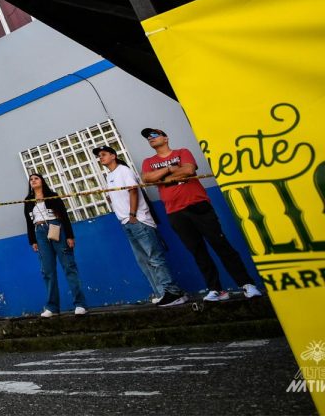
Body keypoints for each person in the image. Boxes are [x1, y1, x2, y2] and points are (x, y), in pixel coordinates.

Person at [139, 128, 262, 302]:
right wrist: (169, 169)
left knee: (221, 245)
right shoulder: (148, 161)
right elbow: (147, 179)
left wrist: (162, 179)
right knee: (198, 253)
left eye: (154, 135)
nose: (150, 138)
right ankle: (216, 290)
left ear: (165, 138)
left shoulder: (182, 152)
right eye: (148, 137)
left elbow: (189, 170)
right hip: (175, 212)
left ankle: (247, 284)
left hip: (198, 205)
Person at [94, 145, 186, 307]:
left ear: (113, 156)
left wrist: (132, 215)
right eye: (99, 156)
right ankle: (162, 293)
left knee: (154, 258)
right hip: (126, 223)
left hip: (138, 220)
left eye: (103, 154)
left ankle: (174, 292)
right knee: (144, 260)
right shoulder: (110, 176)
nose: (100, 158)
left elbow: (133, 191)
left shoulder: (124, 170)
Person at [24, 172, 88, 317]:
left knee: (68, 266)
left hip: (56, 227)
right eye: (31, 179)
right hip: (39, 231)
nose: (33, 180)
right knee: (47, 271)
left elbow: (64, 215)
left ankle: (80, 304)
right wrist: (32, 241)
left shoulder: (52, 195)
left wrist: (70, 235)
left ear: (42, 181)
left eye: (36, 178)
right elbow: (28, 222)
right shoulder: (28, 200)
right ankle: (52, 307)